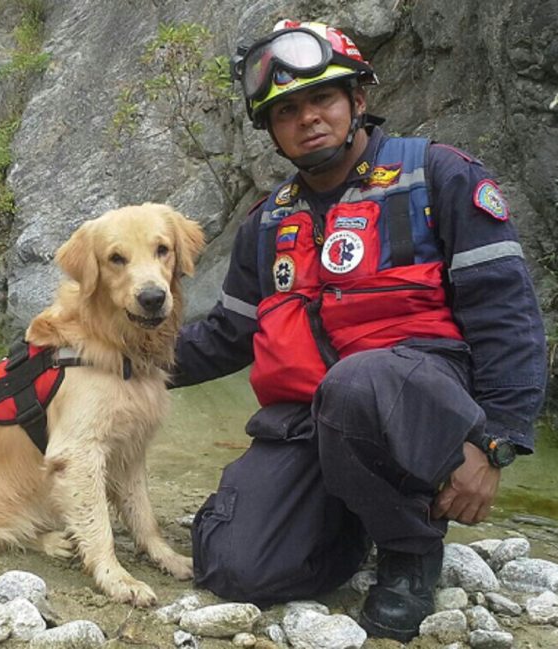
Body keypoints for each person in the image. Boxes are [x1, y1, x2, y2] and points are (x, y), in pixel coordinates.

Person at [169, 18, 547, 643]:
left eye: (322, 98)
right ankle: (348, 521)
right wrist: (107, 362)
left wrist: (497, 445)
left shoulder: (440, 175)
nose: (307, 117)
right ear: (271, 130)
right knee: (233, 566)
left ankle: (409, 548)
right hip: (312, 423)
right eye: (286, 109)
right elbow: (224, 339)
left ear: (358, 101)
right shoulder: (267, 225)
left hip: (415, 400)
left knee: (357, 381)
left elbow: (508, 318)